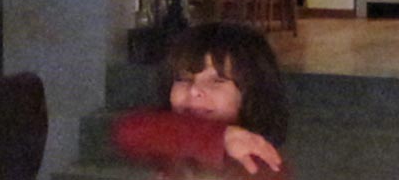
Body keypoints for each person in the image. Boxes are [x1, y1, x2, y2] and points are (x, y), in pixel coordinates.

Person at [113, 22, 290, 179]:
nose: (194, 90)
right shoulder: (165, 132)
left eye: (217, 81)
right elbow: (128, 131)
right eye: (183, 79)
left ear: (253, 91)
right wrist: (219, 138)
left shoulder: (261, 164)